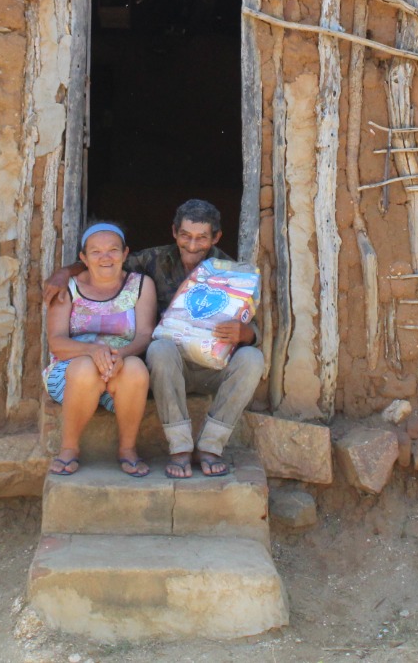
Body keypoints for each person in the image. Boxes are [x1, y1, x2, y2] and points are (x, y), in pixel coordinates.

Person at [44, 199, 262, 480]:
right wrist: (64, 272)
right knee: (159, 348)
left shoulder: (231, 272)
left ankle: (211, 446)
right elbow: (105, 261)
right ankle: (180, 448)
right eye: (185, 235)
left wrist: (246, 334)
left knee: (252, 357)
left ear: (216, 237)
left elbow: (253, 325)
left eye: (202, 238)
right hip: (168, 366)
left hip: (212, 364)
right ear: (174, 232)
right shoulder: (152, 260)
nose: (192, 245)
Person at [42, 222, 157, 478]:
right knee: (85, 368)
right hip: (71, 371)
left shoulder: (141, 285)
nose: (105, 257)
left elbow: (144, 335)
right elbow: (56, 341)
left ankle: (128, 449)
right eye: (95, 252)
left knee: (137, 369)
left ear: (125, 253)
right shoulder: (68, 288)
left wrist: (120, 356)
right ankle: (69, 448)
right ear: (83, 258)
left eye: (113, 250)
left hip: (119, 366)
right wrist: (93, 351)